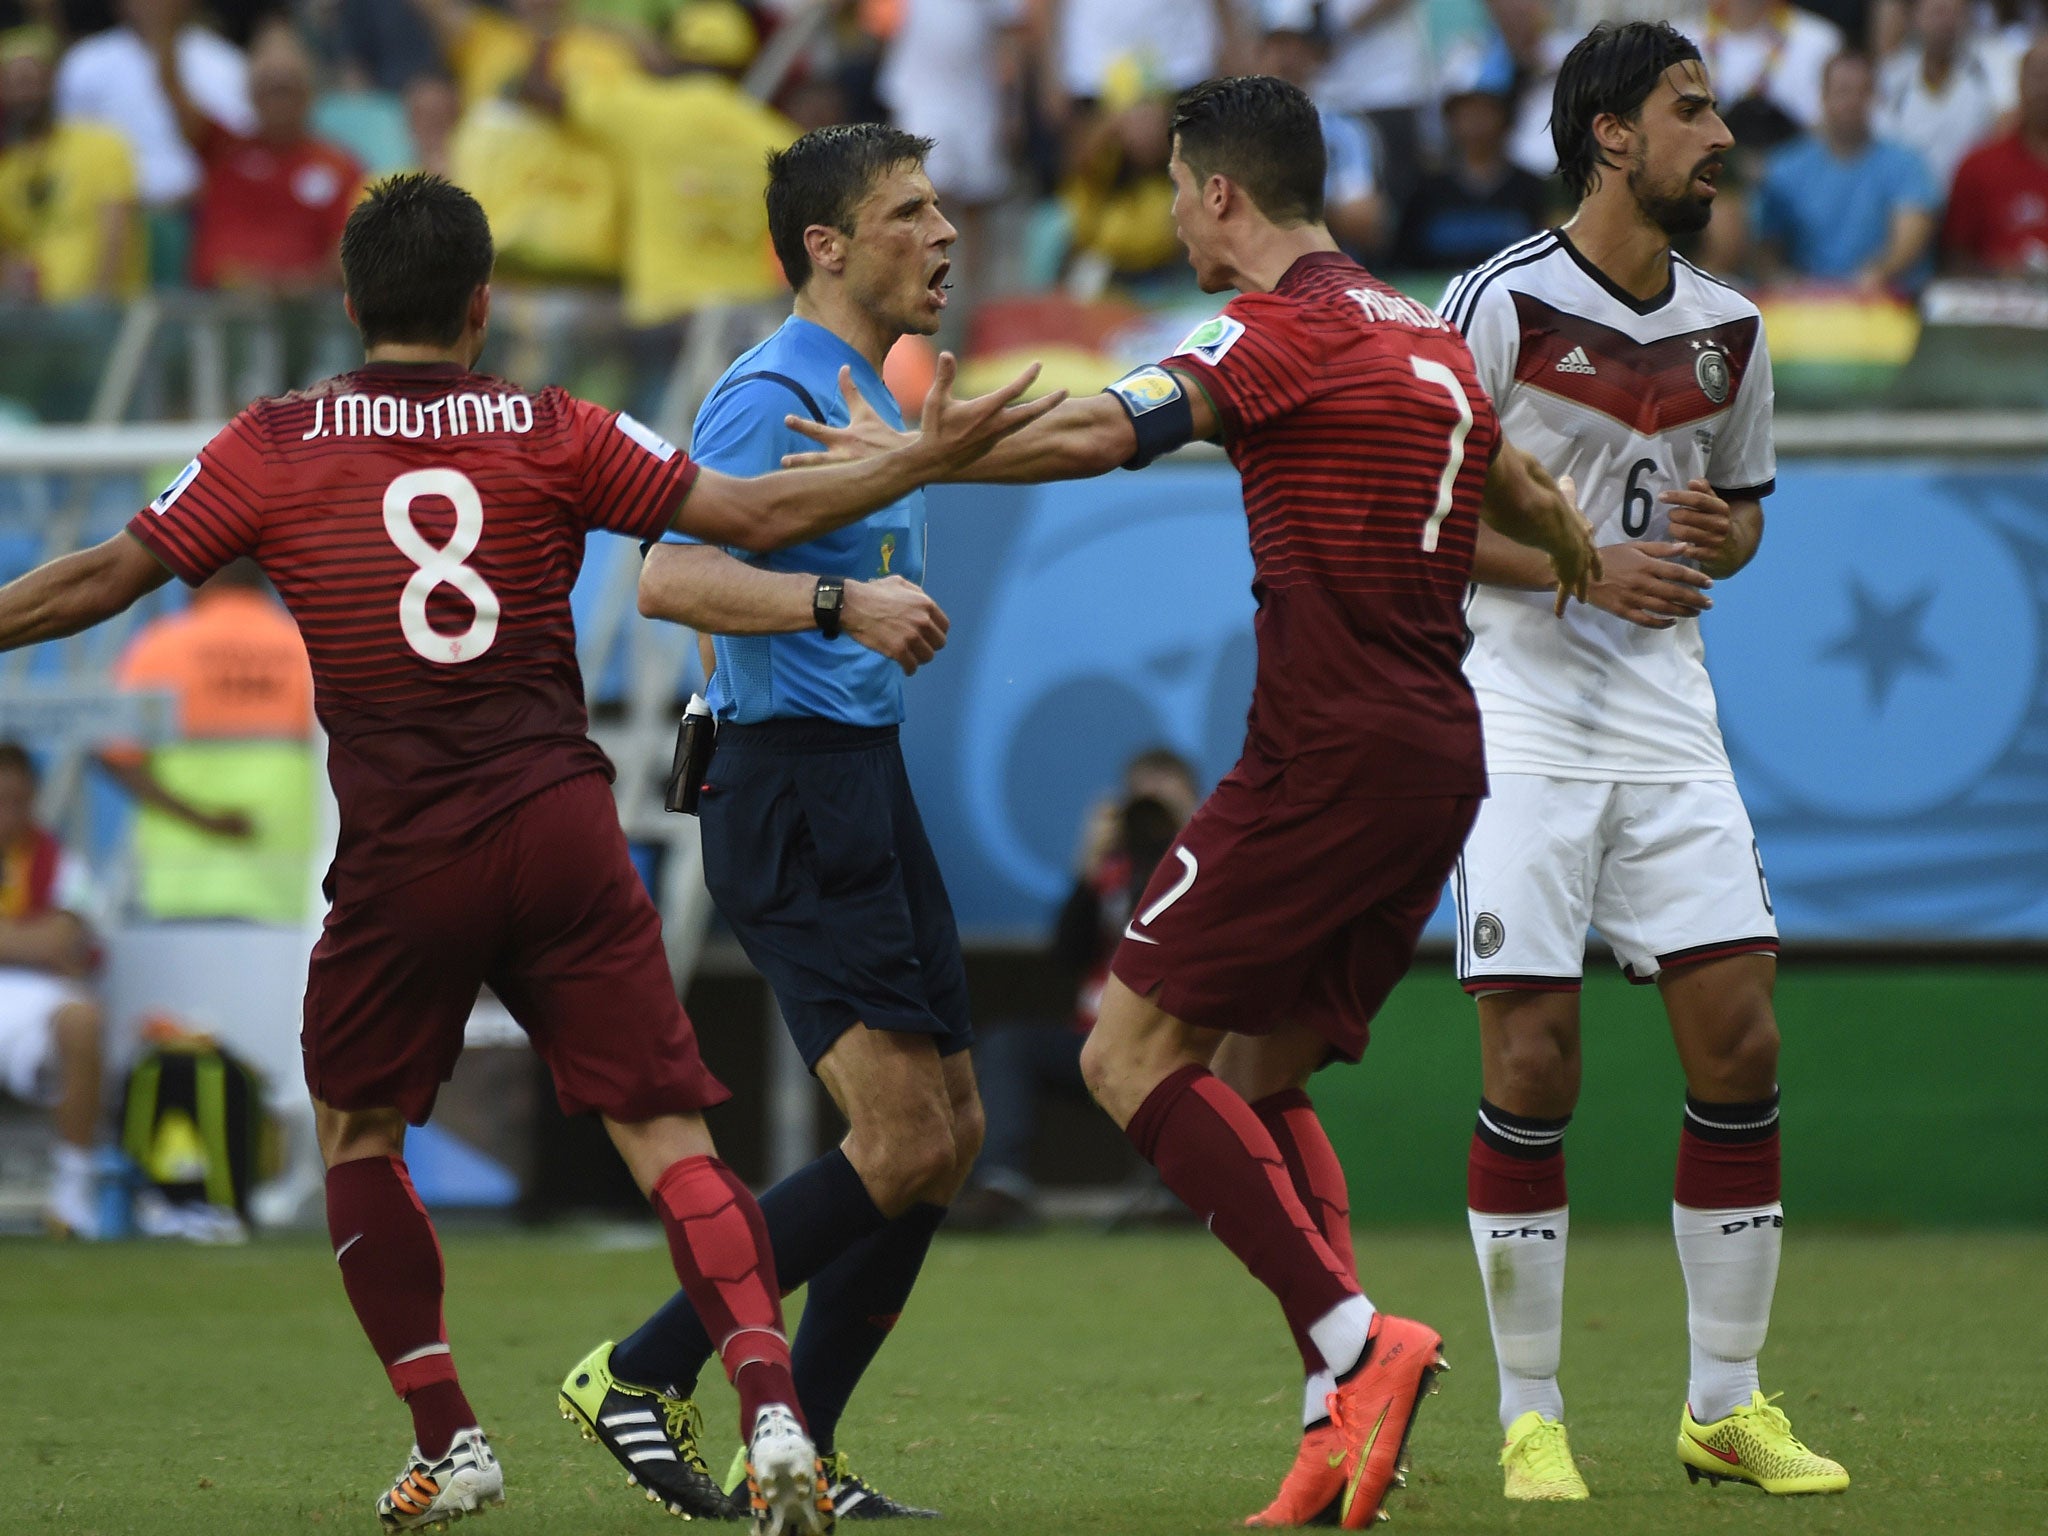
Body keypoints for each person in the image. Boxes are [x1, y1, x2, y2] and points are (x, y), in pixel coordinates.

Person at [0, 171, 1052, 1535]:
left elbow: (107, 574)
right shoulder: (554, 426)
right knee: (670, 1136)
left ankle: (451, 1440)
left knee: (359, 1132)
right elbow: (735, 520)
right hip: (558, 823)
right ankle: (773, 1409)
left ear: (348, 303)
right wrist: (914, 458)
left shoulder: (272, 444)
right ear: (484, 307)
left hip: (401, 853)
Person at [783, 74, 1601, 1531]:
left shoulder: (1266, 332)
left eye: (1173, 187)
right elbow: (1523, 483)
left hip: (1325, 755)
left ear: (1222, 194)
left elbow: (1107, 429)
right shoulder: (1419, 335)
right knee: (1257, 1082)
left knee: (1125, 1054)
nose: (1167, 215)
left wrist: (920, 453)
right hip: (1435, 753)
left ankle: (1358, 1346)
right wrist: (1580, 554)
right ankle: (1329, 1428)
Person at [1436, 19, 1850, 1504]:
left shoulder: (1729, 325)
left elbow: (1738, 510)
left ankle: (1722, 1409)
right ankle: (1532, 1415)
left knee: (1741, 1045)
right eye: (1690, 110)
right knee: (1533, 1062)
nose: (1719, 135)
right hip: (1524, 709)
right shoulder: (1490, 303)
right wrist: (1575, 573)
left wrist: (1707, 540)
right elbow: (1416, 525)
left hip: (1669, 712)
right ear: (1610, 134)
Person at [563, 122, 996, 1525]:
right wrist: (833, 607)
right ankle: (642, 1370)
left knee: (955, 1130)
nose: (944, 235)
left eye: (940, 209)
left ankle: (788, 1447)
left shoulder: (869, 386)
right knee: (903, 1141)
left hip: (858, 775)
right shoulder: (768, 389)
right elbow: (669, 580)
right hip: (797, 789)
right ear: (827, 245)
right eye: (909, 213)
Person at [953, 748, 1199, 1230]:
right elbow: (1066, 953)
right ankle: (1001, 1184)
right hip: (1096, 1044)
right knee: (1009, 1046)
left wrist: (1191, 839)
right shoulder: (1110, 875)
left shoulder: (1207, 868)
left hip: (1174, 1043)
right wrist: (1088, 866)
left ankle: (1178, 1191)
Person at [100, 557, 317, 922]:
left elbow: (113, 755)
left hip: (180, 882)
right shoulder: (303, 649)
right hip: (287, 884)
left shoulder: (160, 647)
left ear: (197, 581)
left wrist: (202, 819)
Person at [150, 19, 363, 292]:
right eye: (269, 88)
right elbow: (172, 90)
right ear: (250, 93)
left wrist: (291, 287)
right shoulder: (222, 148)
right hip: (214, 308)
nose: (279, 99)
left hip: (301, 313)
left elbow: (351, 252)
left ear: (309, 92)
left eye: (287, 88)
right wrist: (168, 20)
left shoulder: (340, 166)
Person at [54, 0, 254, 286]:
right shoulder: (85, 63)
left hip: (201, 216)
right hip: (113, 221)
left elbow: (240, 152)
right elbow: (70, 151)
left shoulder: (226, 63)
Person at [0, 743, 105, 1239]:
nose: (7, 815)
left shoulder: (58, 860)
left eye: (16, 802)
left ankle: (74, 1187)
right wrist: (31, 938)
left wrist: (40, 941)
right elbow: (48, 938)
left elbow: (65, 942)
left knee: (84, 1020)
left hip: (38, 997)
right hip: (28, 976)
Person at [1752, 49, 1938, 289]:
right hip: (1804, 306)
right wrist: (1781, 280)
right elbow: (1766, 247)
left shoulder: (1907, 164)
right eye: (1842, 91)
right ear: (1823, 96)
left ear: (1875, 97)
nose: (1852, 102)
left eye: (1862, 92)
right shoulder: (1784, 167)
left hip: (1886, 302)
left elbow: (1911, 238)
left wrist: (1875, 275)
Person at [0, 26, 144, 305]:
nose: (25, 93)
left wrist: (99, 305)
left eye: (33, 80)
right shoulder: (5, 169)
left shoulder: (102, 144)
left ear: (53, 80)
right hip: (29, 317)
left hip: (98, 310)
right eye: (13, 83)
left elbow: (116, 234)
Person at [1393, 63, 1552, 272]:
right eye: (1465, 113)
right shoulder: (1425, 190)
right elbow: (1402, 261)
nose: (1475, 123)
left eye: (1485, 111)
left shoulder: (1531, 188)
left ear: (1505, 117)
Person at [1875, 0, 2014, 191]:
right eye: (1937, 12)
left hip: (1974, 193)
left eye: (1955, 13)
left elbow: (2007, 123)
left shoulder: (1992, 65)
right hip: (1911, 200)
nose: (1946, 22)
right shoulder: (1892, 76)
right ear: (1915, 18)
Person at [1942, 35, 2048, 272]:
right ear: (2020, 85)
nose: (2046, 87)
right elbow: (1955, 257)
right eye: (2040, 76)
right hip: (1998, 299)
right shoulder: (1978, 166)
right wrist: (2000, 271)